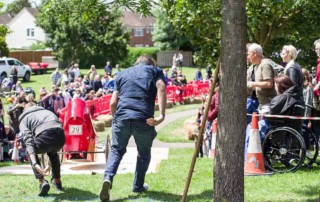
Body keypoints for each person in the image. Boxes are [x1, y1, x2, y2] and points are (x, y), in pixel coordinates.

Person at [99, 55, 167, 202]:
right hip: (144, 119)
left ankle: (108, 178)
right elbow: (161, 87)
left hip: (122, 117)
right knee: (143, 153)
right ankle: (138, 186)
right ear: (151, 64)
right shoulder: (155, 71)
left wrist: (115, 118)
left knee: (116, 150)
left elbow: (113, 102)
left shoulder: (122, 73)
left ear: (136, 63)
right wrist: (161, 115)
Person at [19, 102, 65, 196]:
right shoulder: (47, 112)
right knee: (53, 153)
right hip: (61, 138)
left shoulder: (24, 119)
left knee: (30, 150)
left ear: (25, 110)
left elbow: (28, 140)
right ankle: (57, 181)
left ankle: (42, 181)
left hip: (46, 136)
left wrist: (35, 163)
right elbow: (57, 131)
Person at [246, 43, 277, 114]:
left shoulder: (265, 64)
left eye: (248, 54)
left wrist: (253, 84)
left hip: (268, 104)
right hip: (262, 104)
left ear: (254, 54)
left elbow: (269, 83)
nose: (247, 57)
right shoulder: (257, 66)